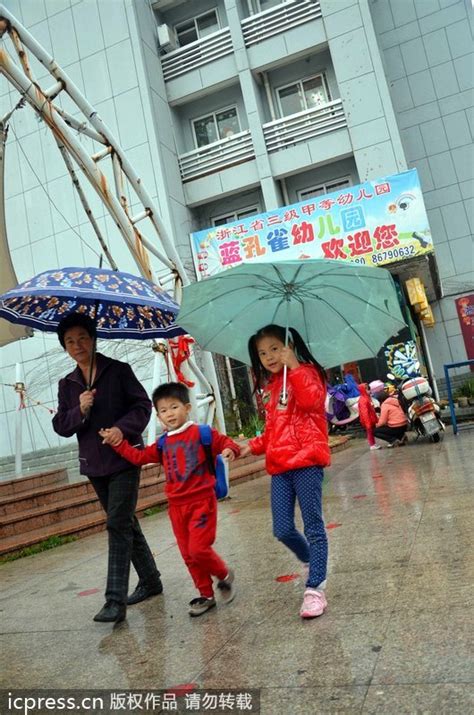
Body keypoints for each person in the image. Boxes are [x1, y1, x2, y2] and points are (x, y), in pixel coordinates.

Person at [52, 313, 163, 624]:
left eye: (82, 338)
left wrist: (121, 430)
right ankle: (151, 581)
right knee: (125, 521)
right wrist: (80, 408)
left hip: (125, 457)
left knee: (116, 523)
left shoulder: (118, 371)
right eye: (70, 341)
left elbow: (142, 406)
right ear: (65, 347)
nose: (77, 345)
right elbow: (61, 425)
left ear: (93, 339)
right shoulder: (68, 384)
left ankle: (114, 600)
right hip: (94, 465)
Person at [99, 382, 241, 617]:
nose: (169, 414)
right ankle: (206, 595)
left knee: (198, 549)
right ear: (158, 415)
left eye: (174, 407)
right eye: (163, 410)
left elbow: (226, 442)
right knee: (188, 555)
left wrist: (230, 450)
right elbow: (140, 457)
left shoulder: (201, 432)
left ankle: (224, 574)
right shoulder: (164, 443)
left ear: (187, 408)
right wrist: (118, 443)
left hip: (202, 503)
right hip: (176, 507)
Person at [240, 324, 330, 619]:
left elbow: (314, 403)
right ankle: (309, 559)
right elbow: (271, 431)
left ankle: (315, 588)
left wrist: (297, 369)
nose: (268, 356)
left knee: (314, 528)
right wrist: (249, 447)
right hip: (280, 466)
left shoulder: (306, 372)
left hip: (306, 461)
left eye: (275, 348)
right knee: (282, 529)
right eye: (262, 352)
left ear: (289, 346)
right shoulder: (270, 387)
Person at [358, 383, 380, 450]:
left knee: (371, 431)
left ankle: (373, 443)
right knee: (370, 431)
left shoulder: (367, 398)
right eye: (367, 389)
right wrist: (367, 423)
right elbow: (364, 413)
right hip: (368, 419)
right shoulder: (363, 399)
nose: (369, 391)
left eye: (369, 389)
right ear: (363, 390)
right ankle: (372, 445)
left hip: (370, 419)